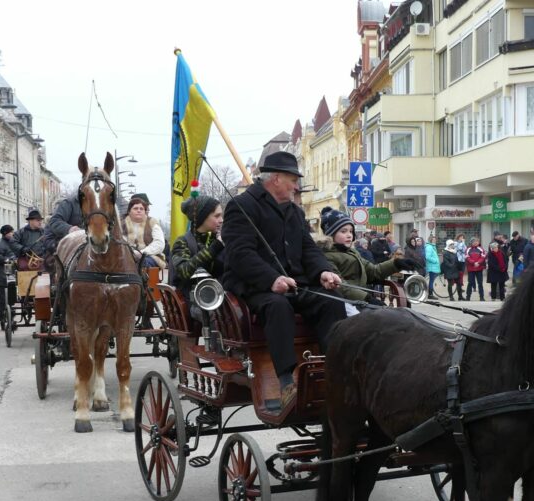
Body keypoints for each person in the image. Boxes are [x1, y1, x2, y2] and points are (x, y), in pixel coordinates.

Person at [221, 151, 343, 413]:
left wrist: (323, 271)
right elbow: (240, 254)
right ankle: (287, 381)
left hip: (295, 284)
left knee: (331, 302)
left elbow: (308, 249)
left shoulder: (295, 213)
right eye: (292, 179)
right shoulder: (242, 205)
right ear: (276, 179)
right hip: (255, 288)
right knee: (278, 307)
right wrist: (271, 278)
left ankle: (333, 371)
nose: (296, 186)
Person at [316, 210, 415, 310]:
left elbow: (374, 271)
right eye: (343, 231)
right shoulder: (327, 256)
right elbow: (340, 286)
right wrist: (367, 298)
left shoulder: (352, 253)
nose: (349, 235)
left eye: (351, 231)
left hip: (361, 302)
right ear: (330, 235)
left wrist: (396, 263)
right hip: (346, 305)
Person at [170, 195, 226, 312]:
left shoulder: (219, 239)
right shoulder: (182, 242)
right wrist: (215, 248)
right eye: (217, 216)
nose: (221, 220)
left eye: (221, 215)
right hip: (193, 301)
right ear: (202, 218)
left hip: (221, 296)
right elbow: (184, 271)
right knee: (214, 314)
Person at [122, 196, 166, 269]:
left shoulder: (152, 223)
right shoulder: (121, 225)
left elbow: (159, 244)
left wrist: (141, 253)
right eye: (135, 208)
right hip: (125, 257)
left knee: (141, 263)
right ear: (129, 211)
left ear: (145, 211)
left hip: (151, 256)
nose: (139, 210)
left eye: (141, 209)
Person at [0, 225, 18, 323]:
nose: (12, 234)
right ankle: (2, 319)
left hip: (12, 276)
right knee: (3, 300)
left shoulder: (13, 243)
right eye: (11, 232)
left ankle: (11, 318)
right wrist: (10, 259)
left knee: (12, 299)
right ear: (5, 233)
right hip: (2, 276)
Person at [464, 237, 487, 301]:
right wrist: (474, 263)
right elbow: (467, 257)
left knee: (480, 283)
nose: (476, 242)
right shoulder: (468, 249)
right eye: (475, 241)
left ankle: (481, 297)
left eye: (477, 241)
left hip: (479, 269)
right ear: (472, 242)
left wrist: (478, 262)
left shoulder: (481, 249)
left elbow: (483, 257)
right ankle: (468, 297)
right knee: (470, 283)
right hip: (471, 269)